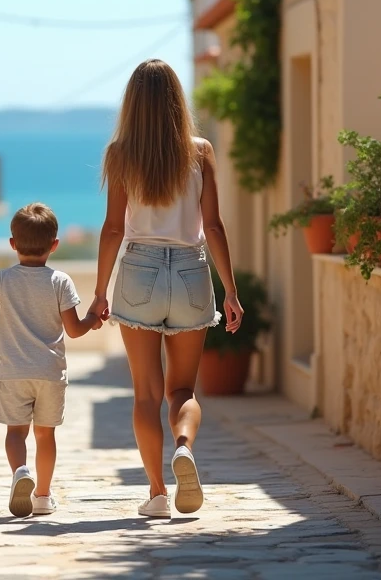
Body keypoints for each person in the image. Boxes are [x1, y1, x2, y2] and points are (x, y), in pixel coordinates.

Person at [88, 59, 245, 519]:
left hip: (139, 270)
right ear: (178, 100)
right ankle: (184, 447)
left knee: (145, 395)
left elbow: (113, 229)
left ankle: (157, 492)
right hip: (192, 272)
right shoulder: (200, 151)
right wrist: (231, 291)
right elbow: (213, 225)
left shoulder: (120, 153)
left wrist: (100, 292)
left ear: (132, 104)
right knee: (183, 391)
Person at [0, 203, 102, 517]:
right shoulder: (61, 281)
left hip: (14, 372)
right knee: (46, 435)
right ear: (54, 245)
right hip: (50, 373)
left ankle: (20, 472)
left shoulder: (3, 279)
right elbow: (73, 330)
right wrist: (93, 320)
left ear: (13, 243)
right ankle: (42, 495)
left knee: (16, 433)